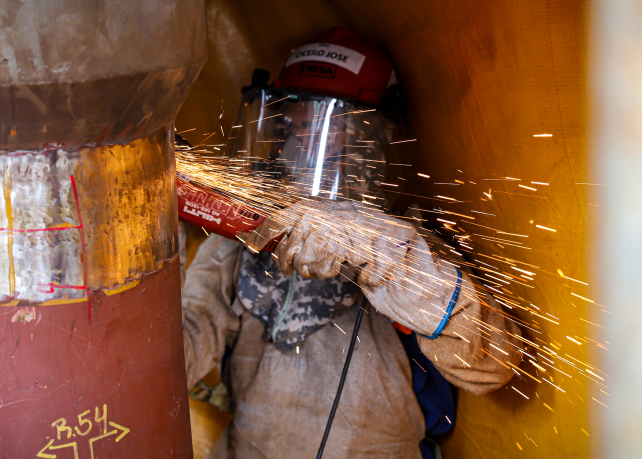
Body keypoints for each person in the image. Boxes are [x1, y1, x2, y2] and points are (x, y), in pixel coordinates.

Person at [181, 28, 522, 459]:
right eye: (292, 124)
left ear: (374, 138)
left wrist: (371, 248)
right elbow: (182, 351)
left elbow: (492, 366)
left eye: (324, 128)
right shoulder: (243, 238)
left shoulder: (409, 243)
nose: (299, 148)